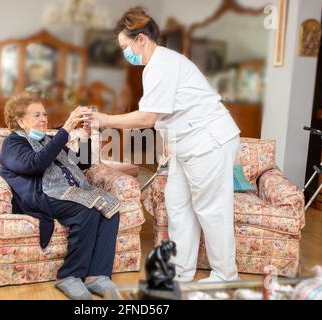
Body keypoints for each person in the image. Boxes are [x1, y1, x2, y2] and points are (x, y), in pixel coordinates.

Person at [87, 7, 241, 283]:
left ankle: (224, 275)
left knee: (211, 207)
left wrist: (105, 119)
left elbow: (148, 116)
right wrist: (169, 143)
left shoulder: (161, 64)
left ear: (141, 39)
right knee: (177, 203)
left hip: (208, 142)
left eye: (125, 46)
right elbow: (173, 110)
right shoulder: (156, 66)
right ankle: (180, 271)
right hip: (186, 145)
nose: (125, 53)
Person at [0, 92, 120, 299]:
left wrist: (85, 136)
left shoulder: (48, 140)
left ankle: (97, 276)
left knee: (110, 208)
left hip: (69, 192)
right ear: (20, 120)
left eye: (44, 114)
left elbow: (81, 164)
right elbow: (34, 163)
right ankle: (70, 275)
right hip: (43, 196)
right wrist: (66, 129)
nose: (43, 119)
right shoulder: (13, 144)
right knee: (87, 211)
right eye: (36, 115)